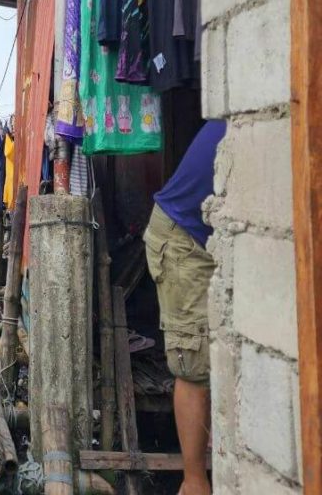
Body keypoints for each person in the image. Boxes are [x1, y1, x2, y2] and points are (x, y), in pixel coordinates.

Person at [143, 120, 226, 495]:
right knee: (193, 362)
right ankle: (194, 483)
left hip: (209, 233)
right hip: (184, 240)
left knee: (219, 353)